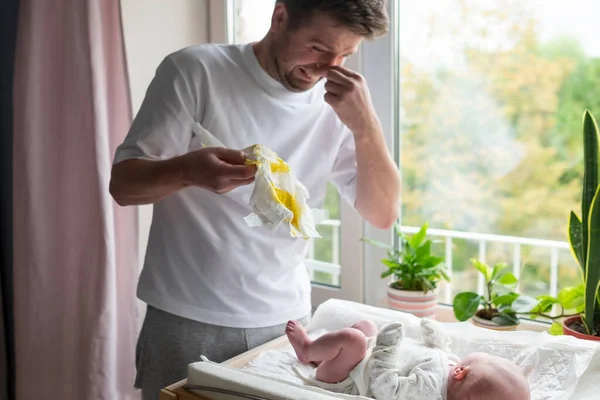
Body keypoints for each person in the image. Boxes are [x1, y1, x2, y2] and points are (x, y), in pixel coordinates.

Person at [109, 0, 400, 398]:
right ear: (280, 18)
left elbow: (383, 213)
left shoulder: (341, 105)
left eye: (346, 54)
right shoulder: (195, 71)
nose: (328, 67)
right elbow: (123, 186)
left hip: (288, 323)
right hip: (186, 317)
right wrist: (187, 171)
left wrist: (367, 127)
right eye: (317, 47)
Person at [285, 319, 531, 399]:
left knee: (354, 339)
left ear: (461, 372)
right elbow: (432, 354)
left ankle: (307, 350)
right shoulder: (449, 367)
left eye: (486, 357)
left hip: (348, 378)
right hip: (364, 361)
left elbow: (385, 388)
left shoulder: (428, 390)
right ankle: (323, 357)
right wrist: (435, 341)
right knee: (365, 326)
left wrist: (385, 347)